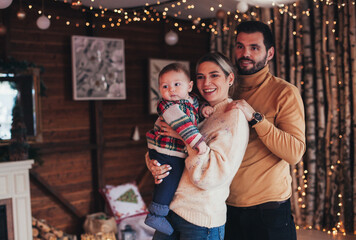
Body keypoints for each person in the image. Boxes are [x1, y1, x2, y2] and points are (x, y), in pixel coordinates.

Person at [146, 52, 249, 239]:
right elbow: (166, 143)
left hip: (200, 220)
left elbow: (208, 176)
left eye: (214, 75)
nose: (206, 82)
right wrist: (154, 163)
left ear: (230, 78)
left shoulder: (233, 117)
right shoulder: (193, 110)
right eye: (201, 77)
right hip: (171, 210)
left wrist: (184, 138)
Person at [224, 21, 306, 240]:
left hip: (268, 211)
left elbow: (295, 153)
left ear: (269, 53)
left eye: (254, 47)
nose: (245, 53)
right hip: (225, 206)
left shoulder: (284, 93)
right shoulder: (223, 90)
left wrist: (255, 118)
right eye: (240, 46)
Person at [145, 63, 214, 235]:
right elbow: (183, 125)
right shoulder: (167, 106)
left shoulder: (193, 101)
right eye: (165, 86)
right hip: (165, 151)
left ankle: (160, 211)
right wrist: (199, 143)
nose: (171, 90)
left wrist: (204, 108)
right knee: (169, 179)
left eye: (177, 84)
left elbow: (197, 108)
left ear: (189, 86)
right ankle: (157, 214)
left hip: (175, 151)